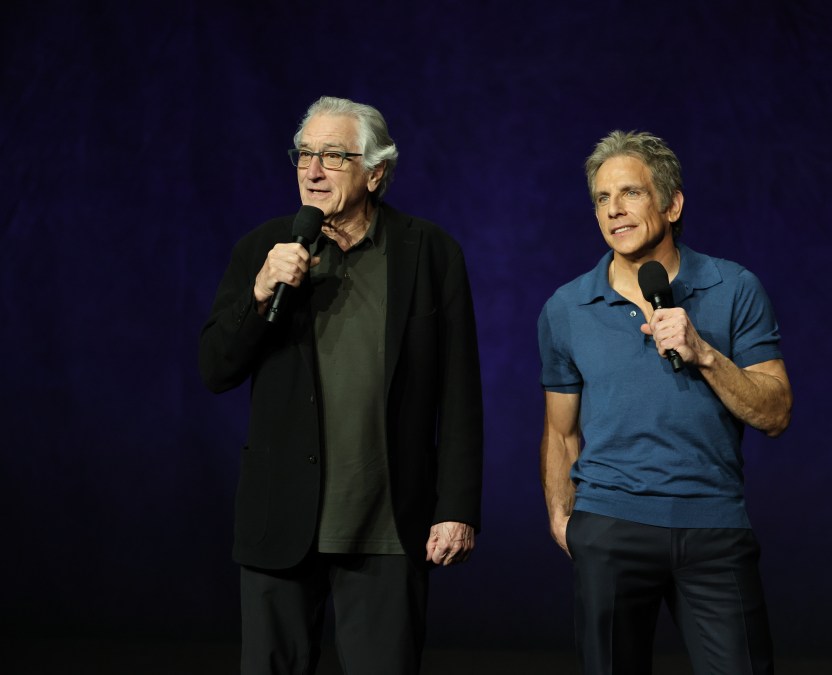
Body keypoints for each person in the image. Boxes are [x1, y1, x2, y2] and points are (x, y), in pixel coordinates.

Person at [199, 96, 483, 675]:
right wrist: (258, 297)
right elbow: (215, 368)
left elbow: (461, 396)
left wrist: (456, 506)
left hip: (386, 525)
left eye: (332, 155)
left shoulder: (429, 253)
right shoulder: (264, 249)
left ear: (375, 172)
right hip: (280, 521)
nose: (312, 170)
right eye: (304, 154)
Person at [538, 131, 792, 674]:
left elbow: (775, 413)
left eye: (630, 193)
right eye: (603, 199)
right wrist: (564, 518)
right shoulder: (567, 307)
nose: (614, 211)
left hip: (714, 526)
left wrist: (703, 353)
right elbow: (561, 431)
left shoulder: (734, 287)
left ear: (672, 204)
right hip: (609, 526)